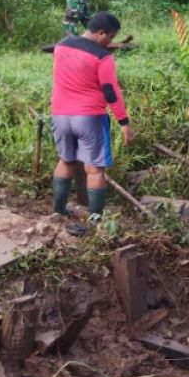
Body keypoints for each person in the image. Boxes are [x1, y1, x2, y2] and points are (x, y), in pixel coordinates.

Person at [50, 12, 133, 231]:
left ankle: (58, 210)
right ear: (100, 33)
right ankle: (96, 220)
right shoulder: (102, 57)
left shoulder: (61, 46)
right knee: (95, 169)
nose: (110, 42)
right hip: (89, 117)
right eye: (110, 37)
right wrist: (124, 122)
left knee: (65, 160)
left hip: (60, 115)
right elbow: (111, 91)